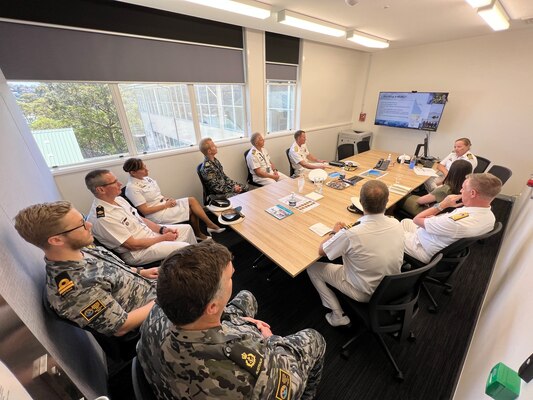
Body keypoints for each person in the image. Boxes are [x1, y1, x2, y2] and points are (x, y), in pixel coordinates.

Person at [137, 241, 326, 399]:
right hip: (220, 371)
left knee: (246, 296)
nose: (233, 277)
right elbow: (286, 388)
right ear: (211, 308)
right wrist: (271, 339)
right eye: (230, 277)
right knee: (315, 339)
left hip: (171, 365)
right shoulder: (243, 371)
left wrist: (234, 319)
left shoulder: (159, 307)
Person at [14, 201, 157, 336]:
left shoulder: (84, 248)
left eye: (83, 219)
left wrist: (141, 272)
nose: (89, 225)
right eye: (81, 224)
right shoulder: (76, 289)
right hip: (156, 316)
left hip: (152, 289)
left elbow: (112, 271)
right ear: (56, 240)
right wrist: (162, 300)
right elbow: (121, 327)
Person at [306, 180, 404, 327]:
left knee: (313, 268)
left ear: (360, 202)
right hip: (391, 286)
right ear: (387, 201)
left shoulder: (351, 234)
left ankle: (338, 316)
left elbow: (322, 250)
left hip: (365, 292)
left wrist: (334, 232)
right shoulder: (396, 223)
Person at [85, 169, 196, 266]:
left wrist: (162, 230)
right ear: (101, 190)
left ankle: (194, 262)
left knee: (187, 229)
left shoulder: (118, 199)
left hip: (148, 235)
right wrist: (164, 238)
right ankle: (191, 267)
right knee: (185, 248)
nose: (120, 184)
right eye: (114, 182)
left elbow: (140, 218)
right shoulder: (102, 217)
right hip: (139, 252)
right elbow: (132, 245)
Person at [403, 172, 502, 263]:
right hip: (439, 239)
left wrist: (442, 205)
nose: (460, 190)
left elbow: (417, 219)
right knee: (405, 222)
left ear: (472, 193)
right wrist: (436, 220)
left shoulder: (457, 223)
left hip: (423, 247)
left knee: (390, 233)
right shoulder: (490, 217)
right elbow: (450, 222)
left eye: (463, 188)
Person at [123, 158, 224, 241]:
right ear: (133, 172)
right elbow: (144, 210)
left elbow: (156, 195)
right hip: (156, 214)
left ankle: (205, 228)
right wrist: (165, 205)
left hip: (164, 204)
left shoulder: (146, 178)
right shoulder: (132, 188)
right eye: (143, 168)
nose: (147, 170)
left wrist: (167, 199)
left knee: (191, 200)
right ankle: (205, 228)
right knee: (191, 209)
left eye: (145, 166)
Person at [399, 159, 473, 217]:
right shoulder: (467, 187)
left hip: (427, 212)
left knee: (400, 196)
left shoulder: (445, 189)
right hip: (444, 212)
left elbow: (420, 201)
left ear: (452, 171)